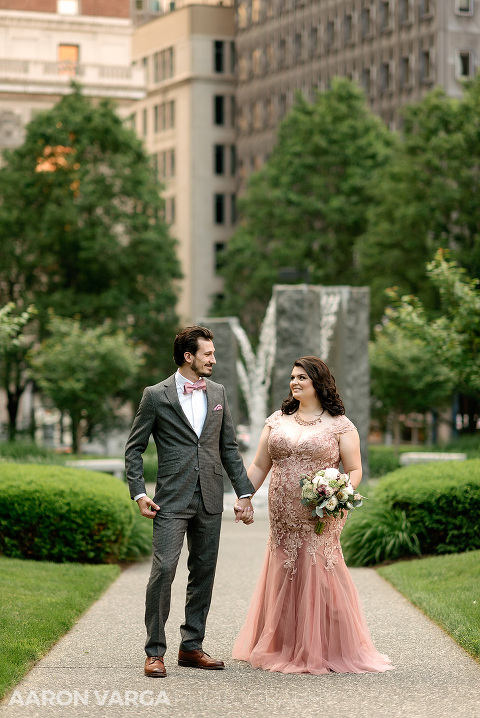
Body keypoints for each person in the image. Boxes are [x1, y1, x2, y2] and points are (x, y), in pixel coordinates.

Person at [233, 356, 392, 674]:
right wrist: (244, 497)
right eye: (292, 377)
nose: (294, 382)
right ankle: (282, 645)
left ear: (318, 383)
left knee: (318, 570)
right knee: (284, 568)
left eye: (302, 377)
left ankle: (325, 647)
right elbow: (261, 465)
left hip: (319, 512)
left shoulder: (340, 425)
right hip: (282, 513)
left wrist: (338, 492)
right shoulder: (277, 420)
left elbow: (355, 469)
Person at [125, 325, 255, 678]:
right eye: (208, 353)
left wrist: (244, 492)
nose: (214, 359)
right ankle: (154, 651)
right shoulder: (155, 395)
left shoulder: (218, 392)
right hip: (169, 499)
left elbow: (228, 448)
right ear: (189, 356)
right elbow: (134, 449)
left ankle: (191, 646)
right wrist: (139, 492)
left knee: (203, 573)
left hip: (210, 497)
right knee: (164, 569)